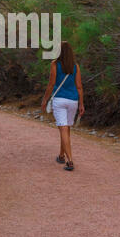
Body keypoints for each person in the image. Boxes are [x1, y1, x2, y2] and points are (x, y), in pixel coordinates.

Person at [41, 41, 85, 171]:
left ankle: (70, 161)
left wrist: (44, 100)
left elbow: (51, 84)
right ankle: (61, 155)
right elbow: (79, 86)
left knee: (63, 128)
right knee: (66, 128)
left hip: (59, 100)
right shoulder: (76, 66)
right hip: (73, 101)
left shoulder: (54, 64)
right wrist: (81, 104)